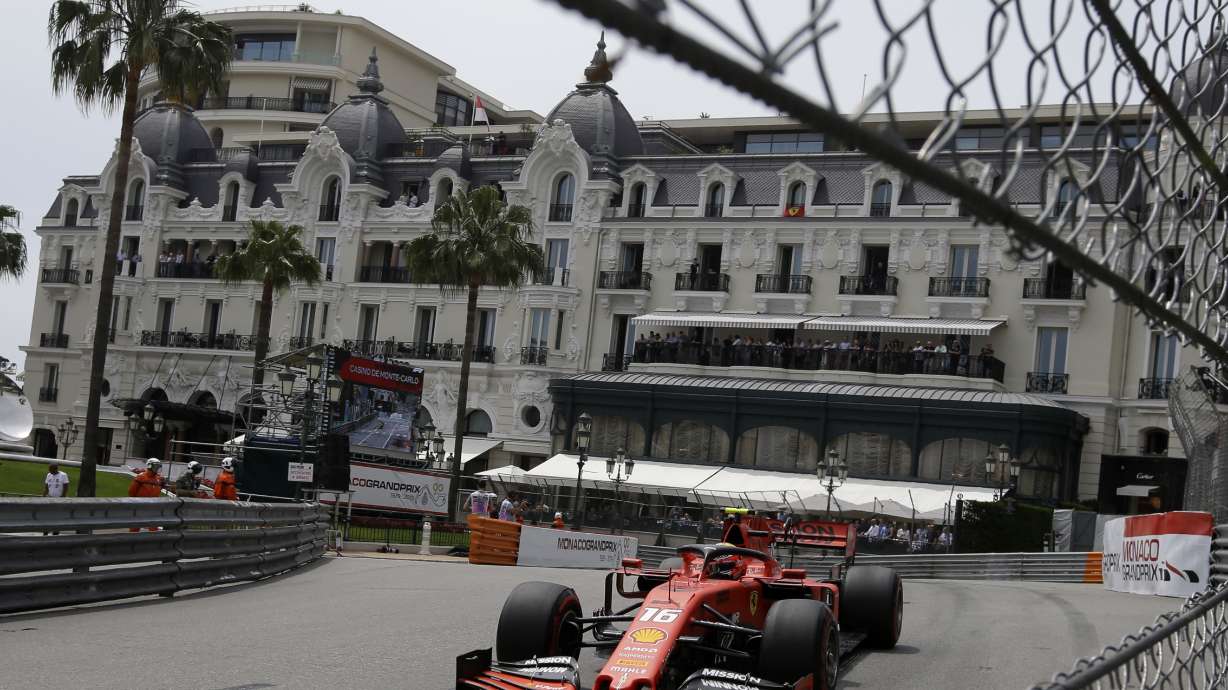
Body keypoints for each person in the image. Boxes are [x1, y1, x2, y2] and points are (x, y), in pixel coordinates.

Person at [128, 459, 166, 532]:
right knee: (135, 526)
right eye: (156, 466)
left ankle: (152, 540)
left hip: (153, 506)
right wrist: (136, 501)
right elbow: (131, 492)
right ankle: (132, 540)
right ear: (150, 466)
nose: (157, 469)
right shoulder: (141, 477)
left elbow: (158, 490)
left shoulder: (158, 478)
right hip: (140, 505)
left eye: (158, 467)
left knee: (153, 526)